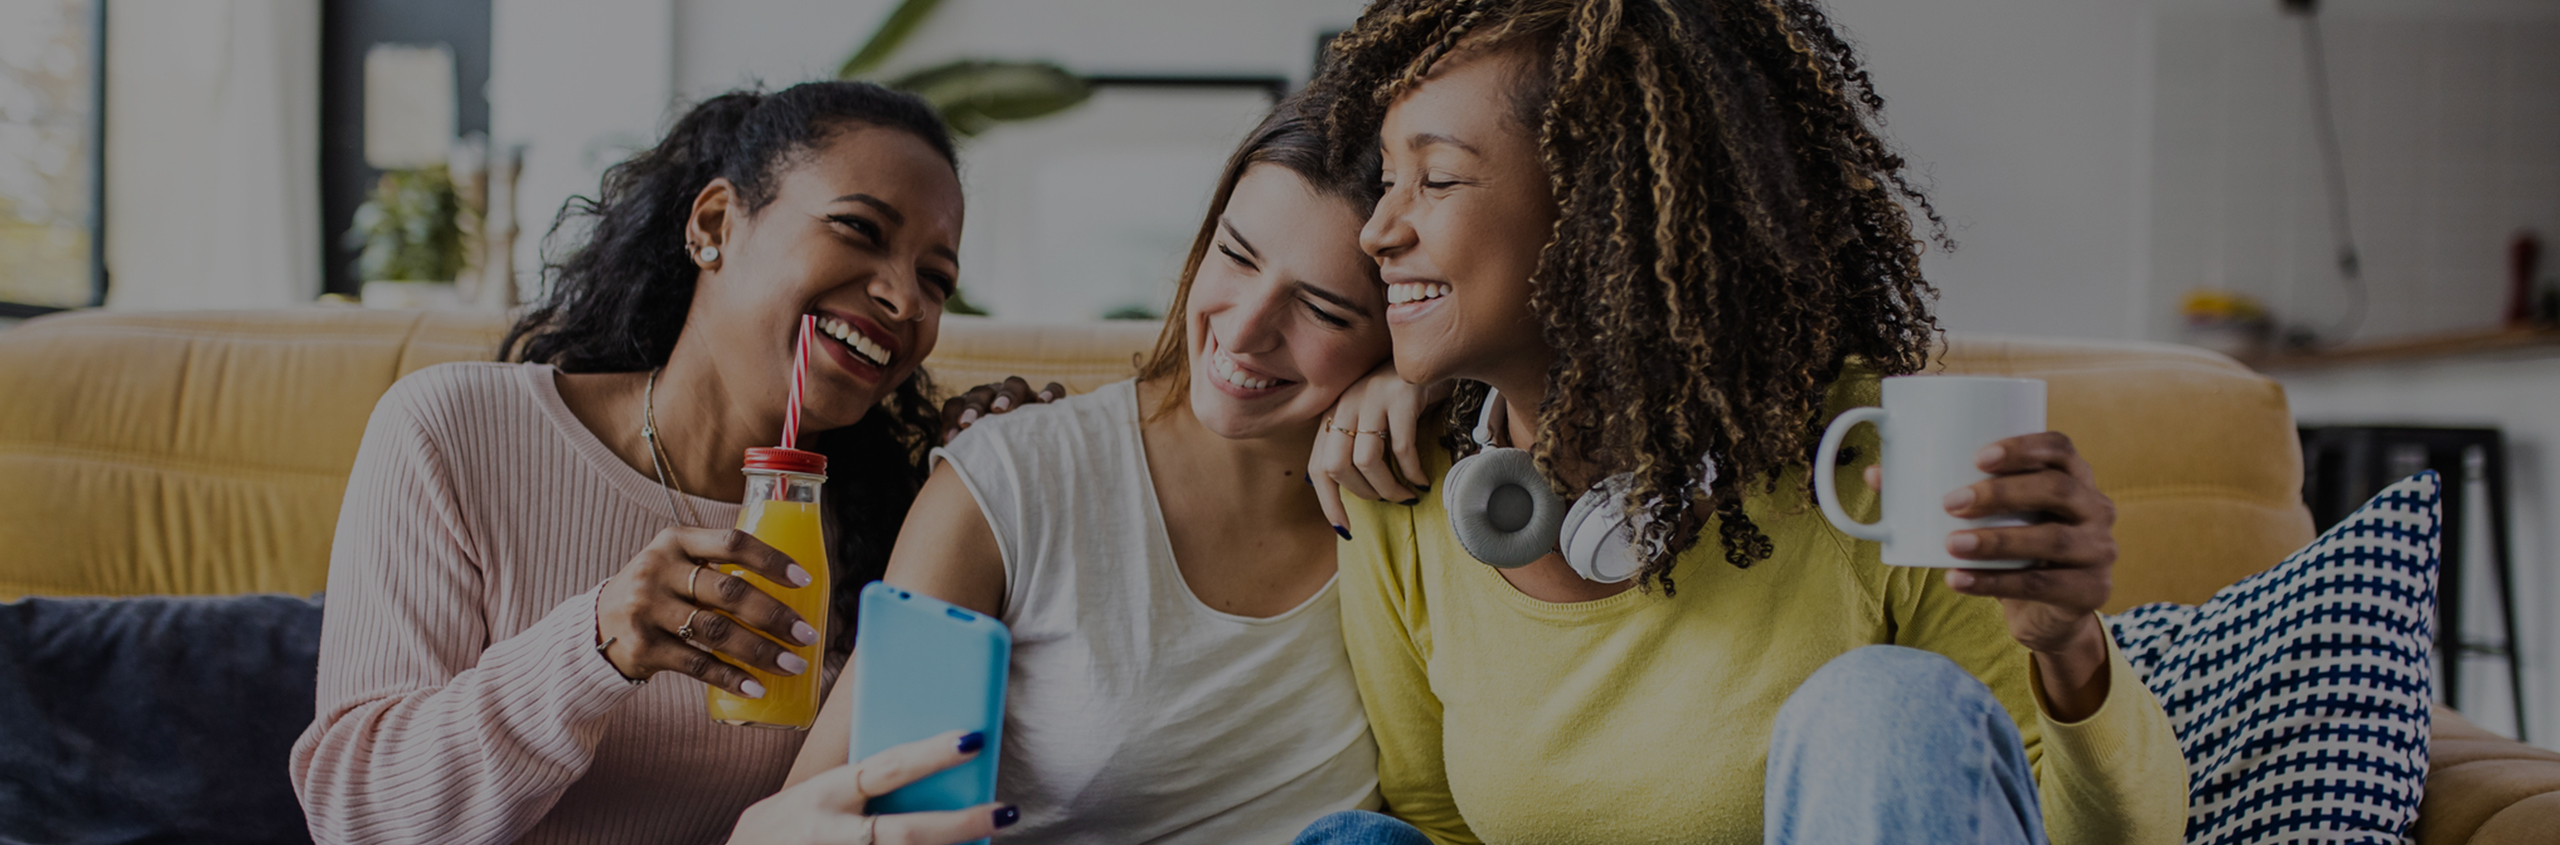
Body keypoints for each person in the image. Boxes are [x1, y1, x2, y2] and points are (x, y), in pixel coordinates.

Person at [1290, 2, 2190, 843]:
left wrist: (2067, 647)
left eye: (1436, 178)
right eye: (1387, 179)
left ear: (1604, 209)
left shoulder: (1874, 456)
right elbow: (1438, 822)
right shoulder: (1400, 481)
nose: (1378, 230)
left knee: (1884, 704)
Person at [290, 80, 1008, 845]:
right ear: (715, 224)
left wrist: (1015, 482)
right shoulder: (452, 432)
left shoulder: (896, 521)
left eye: (937, 278)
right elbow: (356, 818)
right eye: (859, 228)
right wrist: (598, 641)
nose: (906, 300)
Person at [778, 99, 1394, 843]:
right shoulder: (1012, 480)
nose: (1243, 329)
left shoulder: (1421, 505)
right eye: (1236, 255)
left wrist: (1429, 381)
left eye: (1322, 309)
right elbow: (818, 820)